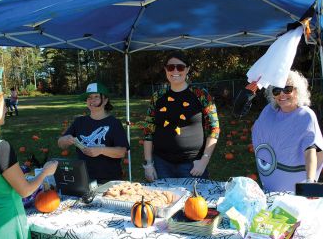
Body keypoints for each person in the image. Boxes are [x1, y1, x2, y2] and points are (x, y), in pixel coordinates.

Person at [0, 68, 58, 239]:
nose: (5, 109)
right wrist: (45, 172)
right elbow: (25, 190)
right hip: (6, 228)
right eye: (4, 104)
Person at [143, 52, 220, 181]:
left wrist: (204, 161)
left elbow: (214, 128)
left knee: (193, 200)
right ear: (165, 69)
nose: (175, 71)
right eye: (170, 67)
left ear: (187, 69)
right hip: (161, 163)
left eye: (180, 67)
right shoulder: (158, 96)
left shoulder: (200, 94)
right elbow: (148, 131)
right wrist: (148, 164)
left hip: (192, 165)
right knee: (164, 200)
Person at [251, 70, 323, 192]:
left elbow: (311, 149)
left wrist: (310, 182)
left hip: (296, 189)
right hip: (270, 186)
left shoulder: (306, 115)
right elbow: (257, 129)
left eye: (287, 89)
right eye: (276, 90)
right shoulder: (268, 111)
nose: (282, 94)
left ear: (298, 91)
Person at [58, 82, 129, 183]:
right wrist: (65, 140)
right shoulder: (79, 122)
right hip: (83, 177)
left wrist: (101, 150)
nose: (92, 100)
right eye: (89, 97)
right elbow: (60, 144)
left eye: (96, 97)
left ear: (105, 101)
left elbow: (122, 152)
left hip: (108, 179)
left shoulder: (114, 123)